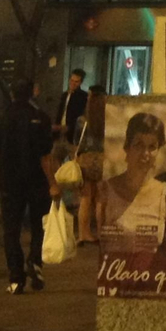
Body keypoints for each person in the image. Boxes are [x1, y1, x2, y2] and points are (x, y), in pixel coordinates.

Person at [0, 79, 57, 293]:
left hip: (9, 182)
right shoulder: (41, 119)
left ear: (12, 93)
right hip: (37, 182)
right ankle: (35, 260)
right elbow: (46, 155)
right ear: (33, 92)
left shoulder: (0, 120)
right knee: (38, 225)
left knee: (11, 231)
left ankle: (16, 279)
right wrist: (53, 183)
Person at [99, 112, 166, 242]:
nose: (145, 153)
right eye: (139, 145)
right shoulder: (107, 190)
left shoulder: (164, 194)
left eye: (152, 147)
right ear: (127, 147)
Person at [73, 88, 107, 245]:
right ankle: (101, 233)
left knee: (85, 198)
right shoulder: (107, 118)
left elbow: (76, 142)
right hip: (102, 159)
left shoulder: (82, 120)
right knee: (100, 199)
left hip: (86, 159)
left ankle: (83, 234)